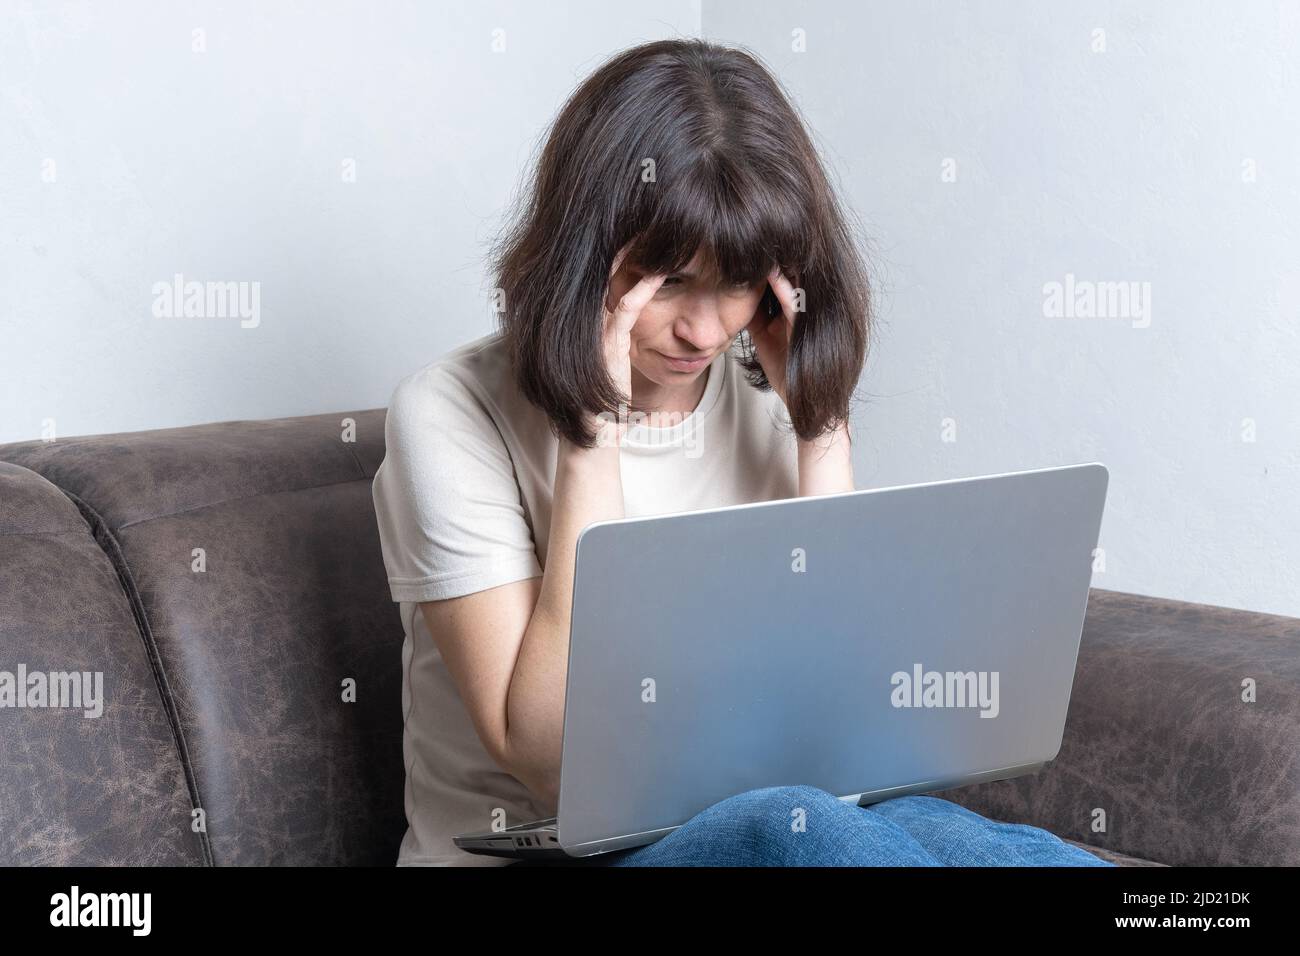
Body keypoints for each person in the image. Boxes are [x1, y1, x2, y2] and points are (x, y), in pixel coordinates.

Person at [370, 37, 1111, 867]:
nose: (705, 330)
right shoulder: (449, 413)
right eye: (671, 281)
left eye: (736, 282)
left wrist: (820, 428)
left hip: (755, 819)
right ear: (586, 256)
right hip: (545, 854)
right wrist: (590, 437)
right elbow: (551, 763)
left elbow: (849, 720)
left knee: (967, 839)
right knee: (796, 824)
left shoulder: (767, 397)